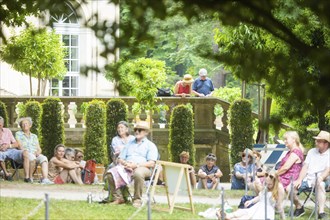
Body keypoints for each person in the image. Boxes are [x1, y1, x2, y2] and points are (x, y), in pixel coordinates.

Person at [106, 121, 158, 208]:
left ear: (146, 132)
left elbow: (152, 163)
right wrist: (125, 163)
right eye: (136, 130)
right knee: (111, 173)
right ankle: (118, 198)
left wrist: (136, 165)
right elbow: (120, 158)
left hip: (143, 168)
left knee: (138, 173)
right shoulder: (129, 144)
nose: (137, 131)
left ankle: (137, 199)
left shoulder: (150, 145)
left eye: (140, 130)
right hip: (128, 166)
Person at [293, 130, 330, 219]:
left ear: (326, 144)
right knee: (290, 188)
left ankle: (321, 212)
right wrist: (299, 179)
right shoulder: (311, 151)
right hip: (308, 180)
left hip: (324, 180)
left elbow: (328, 170)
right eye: (316, 140)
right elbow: (305, 167)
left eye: (318, 141)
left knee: (320, 184)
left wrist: (320, 178)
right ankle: (299, 206)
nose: (316, 142)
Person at [15, 117, 53, 184]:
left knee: (44, 158)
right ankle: (30, 178)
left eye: (26, 124)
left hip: (34, 154)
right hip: (25, 154)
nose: (24, 125)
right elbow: (20, 146)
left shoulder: (34, 136)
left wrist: (38, 152)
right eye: (23, 124)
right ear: (21, 126)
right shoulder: (18, 134)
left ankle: (45, 179)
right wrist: (31, 154)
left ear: (30, 125)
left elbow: (39, 148)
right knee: (32, 158)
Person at [0, 116, 30, 182]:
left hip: (11, 150)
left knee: (25, 152)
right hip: (1, 152)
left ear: (3, 124)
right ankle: (7, 174)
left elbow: (16, 144)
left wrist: (8, 146)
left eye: (0, 124)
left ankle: (27, 177)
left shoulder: (7, 131)